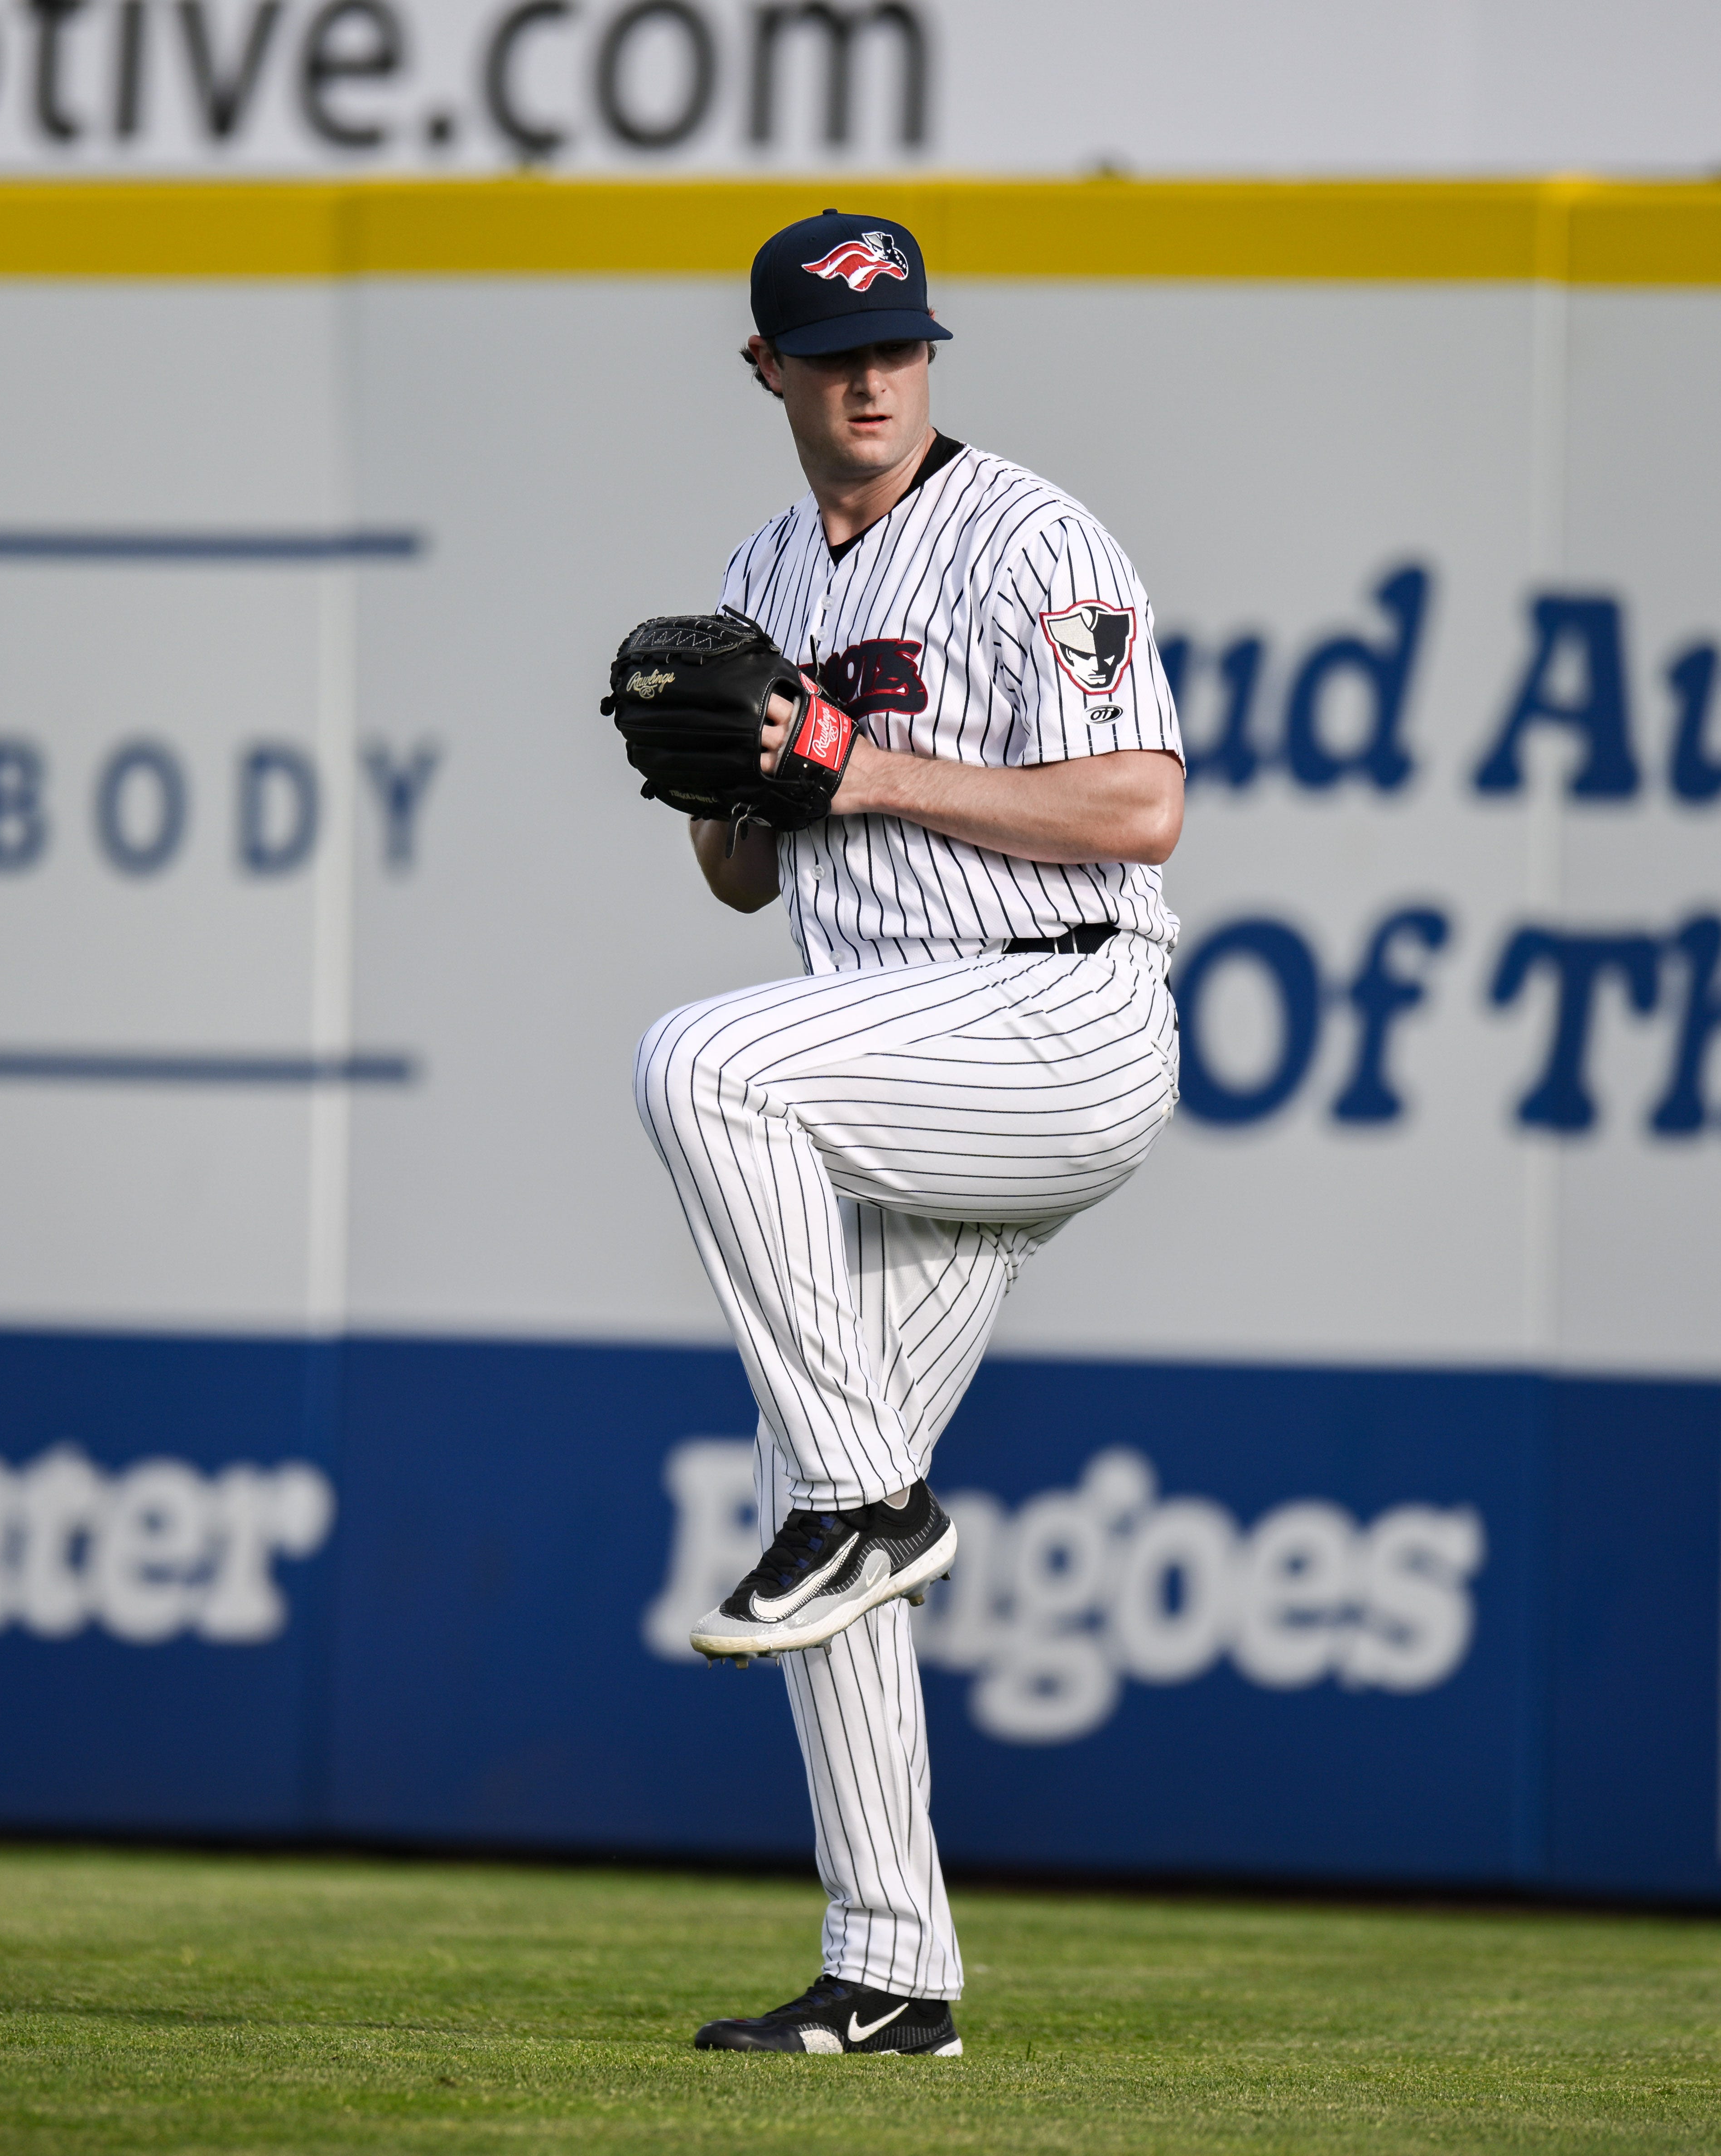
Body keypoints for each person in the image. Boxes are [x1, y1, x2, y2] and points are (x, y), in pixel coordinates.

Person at [631, 209, 1186, 2057]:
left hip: (1063, 1010)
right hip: (904, 1069)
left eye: (899, 346)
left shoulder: (1032, 534)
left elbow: (1140, 805)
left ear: (928, 355)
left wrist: (850, 761)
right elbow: (741, 876)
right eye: (833, 349)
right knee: (824, 1509)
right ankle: (894, 1970)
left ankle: (869, 1499)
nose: (869, 378)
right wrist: (720, 779)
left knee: (705, 1068)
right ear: (768, 369)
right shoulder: (761, 566)